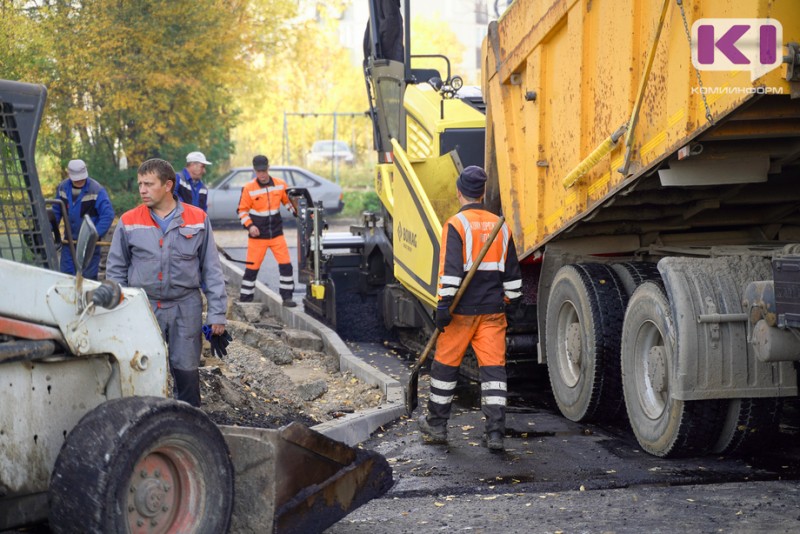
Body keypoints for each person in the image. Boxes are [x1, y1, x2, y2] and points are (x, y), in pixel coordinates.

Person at [106, 158, 227, 406]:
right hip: (144, 308)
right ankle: (148, 424)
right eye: (140, 184)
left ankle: (188, 425)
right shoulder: (129, 221)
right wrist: (119, 312)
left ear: (168, 185)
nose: (142, 190)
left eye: (149, 184)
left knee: (186, 369)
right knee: (143, 368)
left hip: (186, 306)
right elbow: (116, 270)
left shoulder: (197, 218)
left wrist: (216, 314)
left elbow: (211, 270)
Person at [418, 166, 523, 451]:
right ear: (483, 193)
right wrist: (513, 307)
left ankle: (437, 426)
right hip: (492, 311)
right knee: (493, 372)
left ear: (459, 192)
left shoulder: (455, 225)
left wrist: (443, 307)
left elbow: (451, 273)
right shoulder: (501, 226)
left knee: (445, 367)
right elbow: (512, 275)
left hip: (461, 313)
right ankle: (495, 434)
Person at [237, 154, 297, 307]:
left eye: (264, 171)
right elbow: (242, 211)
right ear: (254, 171)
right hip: (257, 237)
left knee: (286, 265)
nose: (262, 174)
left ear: (268, 168)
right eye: (259, 171)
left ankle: (287, 298)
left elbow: (289, 204)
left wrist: (300, 212)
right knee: (251, 269)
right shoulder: (249, 188)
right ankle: (245, 301)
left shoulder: (280, 184)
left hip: (276, 234)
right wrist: (250, 226)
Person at [52, 159, 115, 280]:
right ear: (70, 175)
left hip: (89, 245)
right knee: (66, 278)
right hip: (69, 242)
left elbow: (107, 215)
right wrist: (50, 229)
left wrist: (94, 235)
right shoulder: (63, 188)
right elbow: (56, 211)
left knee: (87, 279)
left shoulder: (96, 190)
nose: (80, 180)